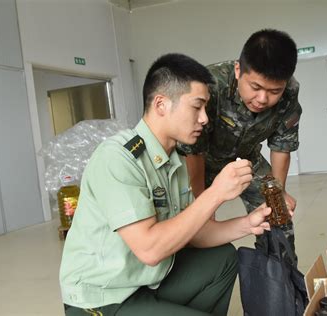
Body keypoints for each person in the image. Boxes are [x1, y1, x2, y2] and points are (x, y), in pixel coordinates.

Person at [59, 53, 272, 316]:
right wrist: (216, 192)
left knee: (223, 259)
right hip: (104, 296)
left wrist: (247, 224)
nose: (205, 118)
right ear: (161, 104)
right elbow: (150, 250)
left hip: (144, 282)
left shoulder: (174, 160)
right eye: (197, 107)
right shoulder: (118, 158)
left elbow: (194, 233)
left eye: (206, 108)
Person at [178, 29, 302, 263]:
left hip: (246, 160)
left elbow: (281, 146)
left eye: (274, 91)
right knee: (193, 228)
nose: (263, 99)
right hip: (198, 163)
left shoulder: (290, 92)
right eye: (255, 88)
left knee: (279, 218)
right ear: (238, 70)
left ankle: (280, 284)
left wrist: (278, 193)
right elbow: (192, 151)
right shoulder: (210, 86)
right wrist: (203, 201)